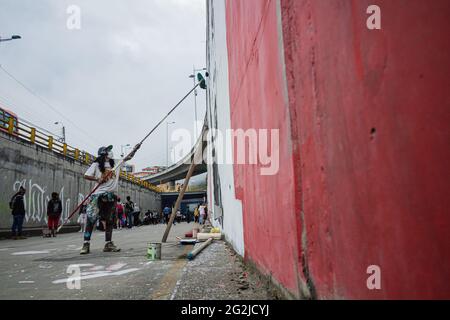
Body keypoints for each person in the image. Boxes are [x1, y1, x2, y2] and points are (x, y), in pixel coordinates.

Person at [80, 144, 139, 255]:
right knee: (91, 219)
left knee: (110, 220)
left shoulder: (116, 162)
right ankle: (86, 244)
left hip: (111, 196)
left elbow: (128, 157)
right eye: (108, 150)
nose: (111, 152)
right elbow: (86, 175)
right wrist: (98, 179)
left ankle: (108, 244)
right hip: (98, 196)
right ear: (104, 153)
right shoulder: (96, 164)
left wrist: (135, 149)